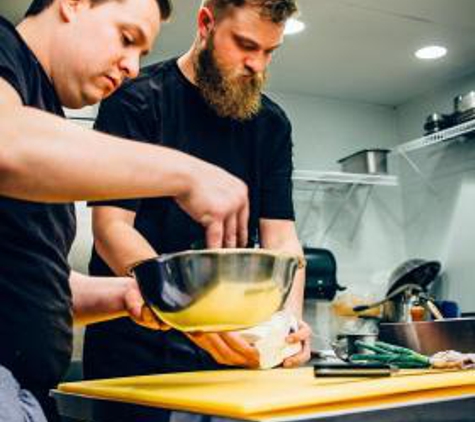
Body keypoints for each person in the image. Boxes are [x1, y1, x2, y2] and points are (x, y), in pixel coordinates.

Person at [0, 0, 252, 420]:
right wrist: (187, 173)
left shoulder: (42, 113)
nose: (133, 67)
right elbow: (5, 142)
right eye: (126, 38)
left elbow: (40, 287)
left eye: (142, 54)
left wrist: (134, 294)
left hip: (28, 389)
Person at [83, 0, 312, 397]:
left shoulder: (272, 124)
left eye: (268, 51)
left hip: (234, 343)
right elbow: (111, 228)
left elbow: (282, 240)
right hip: (135, 343)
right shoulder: (136, 99)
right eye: (244, 45)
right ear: (206, 22)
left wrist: (288, 324)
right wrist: (195, 320)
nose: (257, 64)